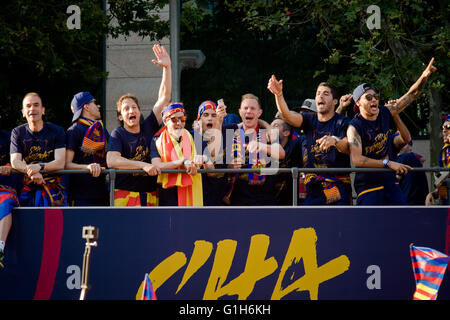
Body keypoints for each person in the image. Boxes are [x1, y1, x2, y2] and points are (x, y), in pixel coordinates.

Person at [347, 58, 437, 205]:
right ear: (358, 103)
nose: (373, 100)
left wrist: (425, 75)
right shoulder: (354, 126)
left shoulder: (385, 112)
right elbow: (357, 160)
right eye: (368, 97)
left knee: (401, 222)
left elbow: (412, 95)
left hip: (391, 184)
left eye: (375, 96)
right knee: (371, 227)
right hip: (368, 188)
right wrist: (387, 163)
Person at [268, 76, 352, 205]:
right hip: (314, 189)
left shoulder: (343, 122)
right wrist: (278, 95)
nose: (320, 96)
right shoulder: (309, 120)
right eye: (318, 93)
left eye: (325, 93)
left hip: (339, 188)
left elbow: (348, 146)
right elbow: (287, 115)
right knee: (306, 223)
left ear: (335, 101)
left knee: (337, 225)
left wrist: (335, 140)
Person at [106, 44, 171, 206]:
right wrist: (143, 165)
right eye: (126, 109)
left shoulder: (148, 125)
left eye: (134, 107)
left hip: (150, 195)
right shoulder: (118, 133)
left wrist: (167, 68)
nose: (131, 111)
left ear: (139, 112)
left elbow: (164, 97)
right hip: (124, 195)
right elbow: (112, 160)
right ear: (120, 116)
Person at [225, 93, 285, 206]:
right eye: (245, 108)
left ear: (259, 112)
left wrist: (261, 146)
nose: (248, 111)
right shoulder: (231, 132)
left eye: (253, 108)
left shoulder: (267, 132)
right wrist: (230, 166)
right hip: (238, 199)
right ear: (240, 112)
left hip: (265, 199)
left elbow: (281, 153)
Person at [10, 92, 67, 207]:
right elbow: (15, 161)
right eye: (28, 106)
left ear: (43, 110)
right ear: (23, 113)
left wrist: (39, 167)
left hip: (54, 188)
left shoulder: (57, 131)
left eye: (36, 105)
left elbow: (60, 163)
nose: (32, 109)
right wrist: (33, 173)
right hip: (29, 185)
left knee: (55, 223)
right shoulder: (17, 132)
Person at [151, 103, 208, 206]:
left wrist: (204, 159)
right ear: (165, 121)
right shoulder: (156, 140)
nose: (179, 123)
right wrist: (182, 161)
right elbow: (157, 165)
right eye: (174, 120)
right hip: (169, 193)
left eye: (182, 119)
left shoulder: (193, 136)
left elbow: (210, 166)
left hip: (192, 190)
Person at [65, 92, 109, 206]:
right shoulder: (73, 131)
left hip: (102, 193)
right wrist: (87, 167)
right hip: (81, 196)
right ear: (86, 107)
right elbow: (66, 164)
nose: (98, 106)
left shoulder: (102, 130)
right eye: (94, 102)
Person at [192, 100, 229, 205]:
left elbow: (246, 125)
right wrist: (219, 121)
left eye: (214, 115)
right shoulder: (192, 137)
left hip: (222, 200)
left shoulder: (226, 132)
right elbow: (213, 153)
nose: (210, 118)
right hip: (201, 199)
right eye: (205, 115)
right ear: (199, 119)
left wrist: (267, 127)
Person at [269, 115, 302, 205]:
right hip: (267, 202)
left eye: (275, 126)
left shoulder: (295, 145)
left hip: (289, 203)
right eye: (269, 126)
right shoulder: (265, 146)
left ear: (286, 132)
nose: (270, 128)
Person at [0, 127, 19, 269]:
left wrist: (10, 166)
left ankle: (0, 249)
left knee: (6, 202)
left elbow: (18, 160)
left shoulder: (9, 136)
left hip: (4, 188)